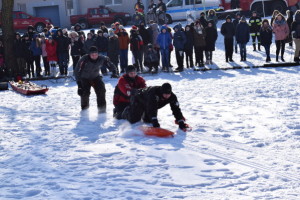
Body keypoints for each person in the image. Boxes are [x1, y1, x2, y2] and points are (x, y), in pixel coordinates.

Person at [121, 82, 189, 131]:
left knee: (148, 120)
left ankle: (144, 113)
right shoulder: (153, 93)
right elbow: (152, 108)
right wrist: (155, 122)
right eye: (165, 94)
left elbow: (176, 109)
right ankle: (126, 111)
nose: (167, 96)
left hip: (148, 104)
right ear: (161, 92)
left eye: (168, 94)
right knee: (133, 120)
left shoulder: (172, 97)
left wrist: (180, 121)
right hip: (139, 99)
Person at [74, 46, 119, 112]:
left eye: (96, 54)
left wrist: (114, 71)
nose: (94, 56)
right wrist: (79, 84)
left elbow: (110, 64)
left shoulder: (102, 58)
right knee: (84, 93)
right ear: (89, 54)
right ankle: (84, 109)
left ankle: (102, 109)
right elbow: (77, 71)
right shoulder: (84, 59)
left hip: (95, 77)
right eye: (92, 55)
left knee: (101, 90)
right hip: (84, 78)